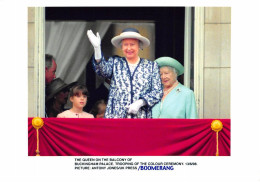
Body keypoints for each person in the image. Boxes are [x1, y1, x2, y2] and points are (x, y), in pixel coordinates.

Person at [87, 28, 163, 118]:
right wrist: (97, 49)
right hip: (116, 118)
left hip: (141, 118)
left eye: (132, 44)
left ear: (139, 46)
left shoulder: (151, 66)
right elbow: (102, 71)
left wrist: (141, 102)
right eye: (125, 44)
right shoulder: (115, 62)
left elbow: (157, 92)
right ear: (121, 47)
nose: (129, 48)